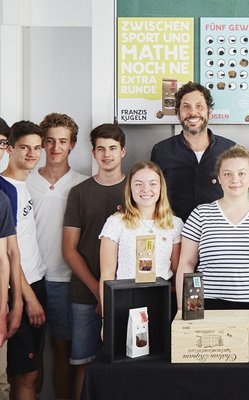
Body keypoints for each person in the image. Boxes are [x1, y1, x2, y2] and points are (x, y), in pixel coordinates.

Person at [176, 145, 249, 336]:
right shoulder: (201, 214)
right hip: (209, 306)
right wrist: (183, 308)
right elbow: (187, 263)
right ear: (219, 178)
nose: (235, 180)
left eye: (241, 173)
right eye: (228, 174)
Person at [63, 123, 126, 400]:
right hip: (84, 294)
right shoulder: (79, 192)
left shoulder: (136, 189)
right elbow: (69, 250)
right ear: (93, 153)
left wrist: (111, 293)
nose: (106, 154)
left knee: (125, 364)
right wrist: (97, 290)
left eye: (112, 148)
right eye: (101, 149)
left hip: (125, 293)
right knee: (84, 364)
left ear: (123, 152)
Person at [27, 112, 87, 400]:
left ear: (72, 144)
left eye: (62, 141)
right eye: (49, 141)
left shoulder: (82, 184)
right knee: (30, 354)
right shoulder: (25, 182)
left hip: (65, 280)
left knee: (63, 349)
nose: (55, 147)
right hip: (30, 280)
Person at [0, 121, 46, 400]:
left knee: (29, 371)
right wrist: (27, 298)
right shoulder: (5, 190)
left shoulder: (26, 184)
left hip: (36, 281)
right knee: (25, 373)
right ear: (10, 148)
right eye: (25, 147)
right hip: (17, 289)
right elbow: (8, 252)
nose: (32, 154)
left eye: (37, 148)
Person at [99, 161, 182, 313]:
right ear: (130, 188)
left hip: (162, 298)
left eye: (152, 184)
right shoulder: (116, 222)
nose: (146, 189)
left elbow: (178, 271)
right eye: (138, 184)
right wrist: (106, 317)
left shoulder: (174, 224)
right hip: (124, 297)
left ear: (161, 187)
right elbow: (107, 274)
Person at [151, 81, 235, 221]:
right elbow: (153, 198)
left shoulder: (230, 150)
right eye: (186, 107)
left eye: (199, 106)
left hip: (218, 231)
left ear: (209, 112)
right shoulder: (161, 151)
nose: (193, 112)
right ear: (178, 114)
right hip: (174, 231)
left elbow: (239, 196)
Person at [0, 118, 22, 400]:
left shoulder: (3, 199)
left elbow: (5, 257)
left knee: (1, 384)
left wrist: (4, 309)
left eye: (2, 144)